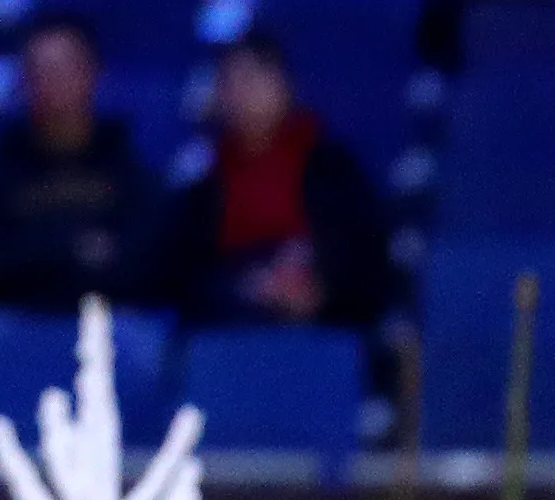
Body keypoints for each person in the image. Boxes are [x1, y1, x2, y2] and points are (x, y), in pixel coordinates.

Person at [144, 28, 396, 331]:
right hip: (227, 331)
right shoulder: (200, 179)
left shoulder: (333, 169)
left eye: (251, 79)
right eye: (228, 82)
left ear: (284, 85)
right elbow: (172, 277)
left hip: (326, 328)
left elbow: (369, 263)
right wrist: (245, 288)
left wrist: (320, 288)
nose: (240, 94)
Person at [0, 11, 156, 316]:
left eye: (63, 69)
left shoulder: (131, 170)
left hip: (113, 328)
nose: (51, 83)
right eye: (38, 70)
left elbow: (145, 266)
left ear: (93, 72)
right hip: (12, 328)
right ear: (22, 81)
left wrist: (32, 253)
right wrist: (72, 248)